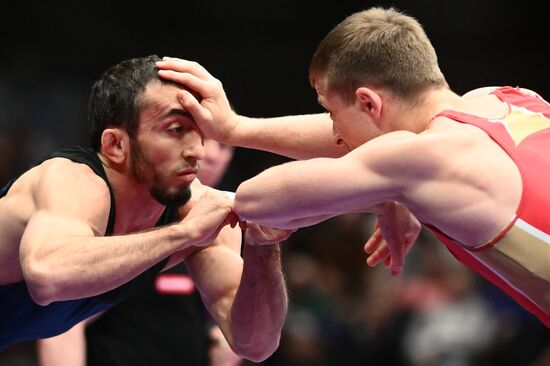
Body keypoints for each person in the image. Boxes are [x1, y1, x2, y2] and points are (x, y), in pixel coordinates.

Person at [155, 7, 550, 328]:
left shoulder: (421, 160)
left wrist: (383, 193)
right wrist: (235, 128)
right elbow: (378, 147)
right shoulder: (510, 100)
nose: (336, 135)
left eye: (331, 113)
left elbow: (259, 199)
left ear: (368, 102)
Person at [0, 54, 290, 363]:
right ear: (116, 145)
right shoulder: (70, 180)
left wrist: (264, 247)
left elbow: (254, 343)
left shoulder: (197, 211)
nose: (198, 151)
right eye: (176, 129)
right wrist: (184, 233)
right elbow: (47, 276)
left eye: (203, 132)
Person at [36, 139, 241, 366]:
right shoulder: (130, 219)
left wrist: (224, 342)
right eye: (203, 140)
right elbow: (63, 324)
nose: (211, 154)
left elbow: (243, 337)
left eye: (223, 146)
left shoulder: (227, 232)